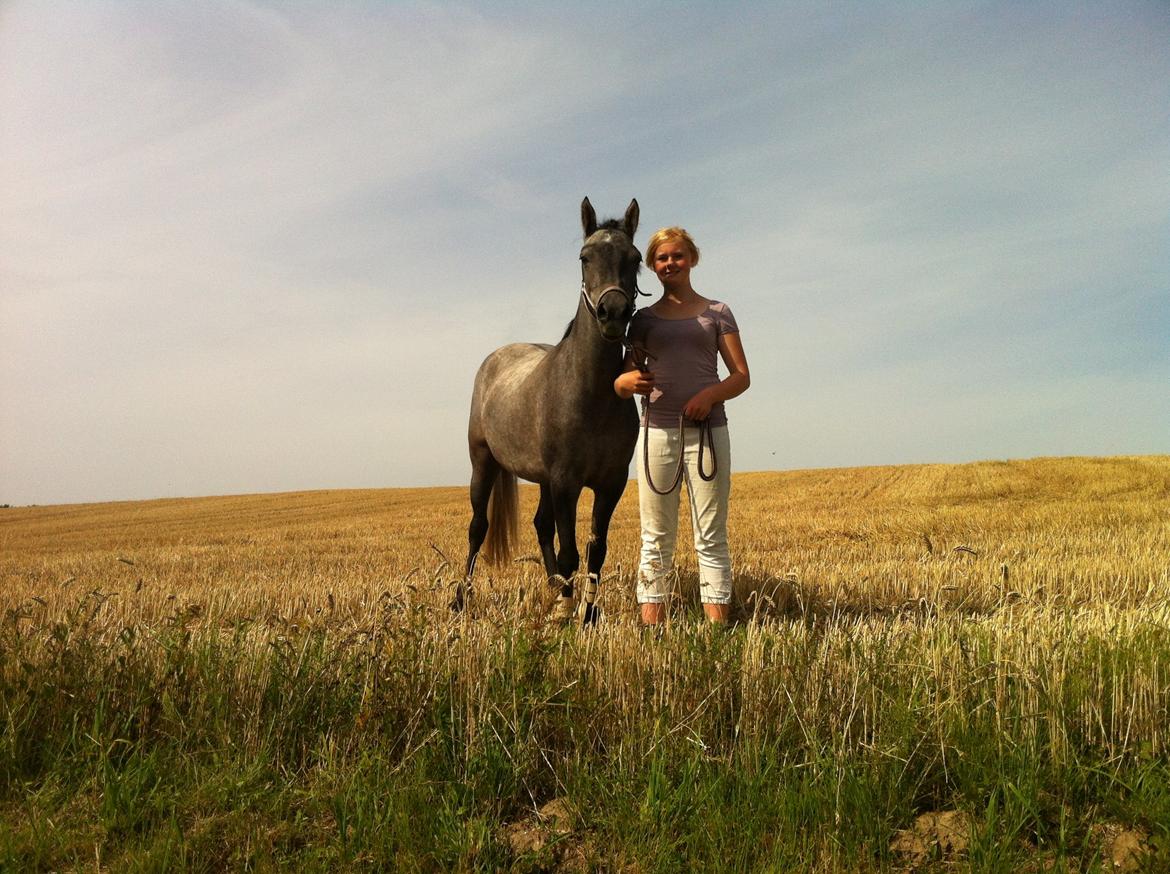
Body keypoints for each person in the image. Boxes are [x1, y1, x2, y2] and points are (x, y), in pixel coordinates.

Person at [614, 227, 750, 625]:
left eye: (676, 256)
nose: (669, 263)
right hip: (656, 432)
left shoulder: (718, 312)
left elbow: (741, 376)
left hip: (709, 434)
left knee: (711, 534)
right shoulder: (641, 320)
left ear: (691, 258)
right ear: (652, 267)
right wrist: (624, 383)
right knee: (655, 537)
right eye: (661, 258)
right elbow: (623, 380)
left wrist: (710, 397)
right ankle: (651, 628)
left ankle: (717, 629)